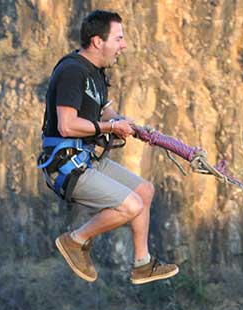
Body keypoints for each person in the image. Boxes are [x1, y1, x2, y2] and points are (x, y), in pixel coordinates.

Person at [40, 10, 178, 285]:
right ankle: (75, 240)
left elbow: (104, 110)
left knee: (144, 191)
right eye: (118, 38)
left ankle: (142, 264)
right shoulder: (72, 71)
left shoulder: (96, 73)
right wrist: (111, 128)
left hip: (87, 158)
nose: (123, 45)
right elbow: (67, 125)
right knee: (131, 205)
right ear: (97, 41)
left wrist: (128, 125)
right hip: (66, 165)